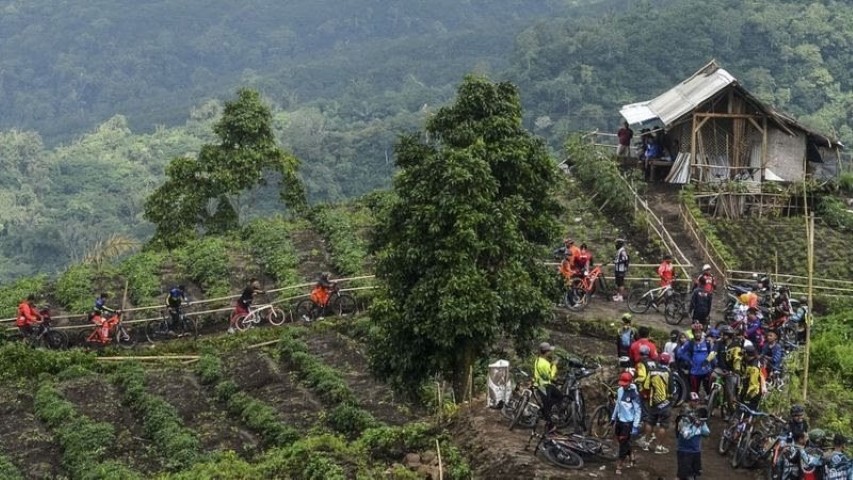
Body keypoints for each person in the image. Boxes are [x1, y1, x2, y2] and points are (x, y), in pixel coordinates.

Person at [638, 352, 672, 455]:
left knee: (650, 422)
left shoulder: (652, 372)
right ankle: (658, 447)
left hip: (653, 403)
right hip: (665, 402)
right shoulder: (668, 373)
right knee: (663, 425)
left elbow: (646, 386)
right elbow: (671, 389)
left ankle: (646, 444)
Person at [611, 371, 642, 476]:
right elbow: (617, 405)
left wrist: (635, 426)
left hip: (628, 423)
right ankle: (631, 455)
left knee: (623, 444)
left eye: (626, 384)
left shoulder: (634, 395)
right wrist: (613, 417)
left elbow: (638, 411)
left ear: (630, 382)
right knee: (620, 440)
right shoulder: (620, 390)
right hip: (619, 420)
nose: (623, 386)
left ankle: (619, 465)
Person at [675, 392, 710, 480]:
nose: (696, 403)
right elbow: (686, 435)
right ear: (689, 401)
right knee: (682, 476)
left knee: (693, 475)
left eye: (697, 401)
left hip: (696, 451)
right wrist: (695, 425)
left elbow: (707, 432)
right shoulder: (682, 418)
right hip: (685, 451)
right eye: (694, 401)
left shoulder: (698, 417)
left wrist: (701, 422)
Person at [678, 323, 715, 395]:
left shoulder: (707, 343)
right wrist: (688, 360)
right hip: (694, 371)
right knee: (694, 391)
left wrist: (708, 360)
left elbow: (713, 353)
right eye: (696, 333)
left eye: (699, 332)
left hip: (706, 370)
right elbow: (680, 352)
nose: (698, 334)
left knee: (708, 390)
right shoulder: (690, 343)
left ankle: (708, 400)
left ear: (702, 333)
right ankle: (695, 400)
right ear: (693, 333)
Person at [533, 342, 562, 431]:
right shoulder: (545, 364)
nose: (550, 353)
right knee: (551, 403)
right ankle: (550, 426)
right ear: (546, 352)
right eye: (549, 351)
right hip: (544, 386)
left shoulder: (538, 360)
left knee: (556, 397)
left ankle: (546, 410)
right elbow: (550, 377)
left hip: (539, 384)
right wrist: (554, 366)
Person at [739, 344, 764, 410]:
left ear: (747, 354)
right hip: (747, 390)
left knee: (746, 412)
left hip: (752, 395)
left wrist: (746, 397)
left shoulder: (754, 367)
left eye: (744, 354)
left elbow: (753, 385)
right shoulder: (750, 361)